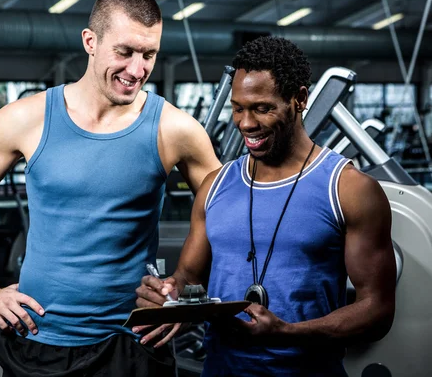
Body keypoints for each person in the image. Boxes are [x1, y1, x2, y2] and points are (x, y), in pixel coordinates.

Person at [0, 0, 221, 377]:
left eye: (149, 55)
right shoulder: (26, 118)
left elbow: (226, 208)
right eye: (124, 52)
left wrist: (189, 289)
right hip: (37, 339)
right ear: (91, 41)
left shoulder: (175, 129)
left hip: (133, 341)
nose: (137, 69)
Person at [135, 36, 396, 376]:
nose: (246, 123)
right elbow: (188, 277)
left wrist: (288, 333)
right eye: (238, 108)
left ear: (299, 99)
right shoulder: (214, 186)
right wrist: (167, 294)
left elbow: (378, 310)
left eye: (262, 108)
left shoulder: (350, 189)